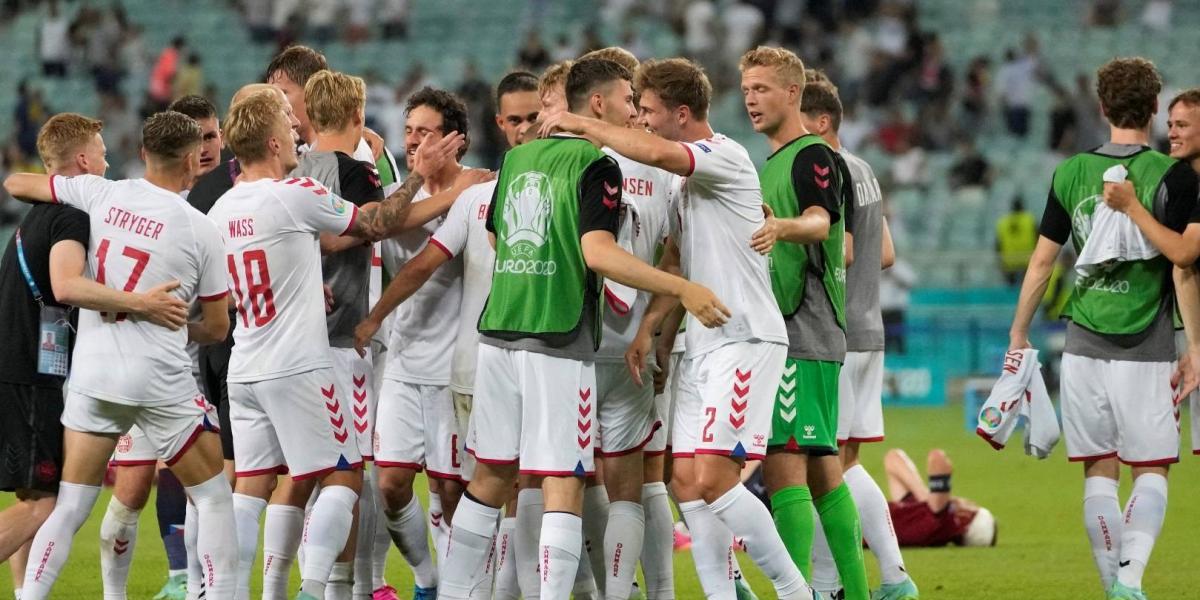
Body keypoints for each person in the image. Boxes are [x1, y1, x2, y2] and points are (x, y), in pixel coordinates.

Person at [438, 58, 728, 600]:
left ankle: (454, 594)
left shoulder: (517, 158)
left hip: (498, 332)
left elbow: (499, 236)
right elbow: (598, 253)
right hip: (560, 337)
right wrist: (681, 288)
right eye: (626, 97)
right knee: (564, 480)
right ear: (598, 103)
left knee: (491, 477)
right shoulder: (599, 165)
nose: (632, 108)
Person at [542, 56, 817, 600]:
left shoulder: (724, 155)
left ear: (682, 113)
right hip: (704, 343)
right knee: (686, 483)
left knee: (714, 477)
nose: (641, 119)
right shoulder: (682, 184)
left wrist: (579, 122)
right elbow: (675, 259)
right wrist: (652, 330)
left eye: (648, 110)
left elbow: (654, 152)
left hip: (745, 336)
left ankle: (795, 591)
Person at [5, 110, 238, 599]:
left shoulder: (101, 194)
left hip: (95, 378)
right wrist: (176, 321)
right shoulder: (201, 229)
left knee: (69, 507)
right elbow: (217, 328)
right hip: (160, 382)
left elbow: (18, 182)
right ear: (193, 160)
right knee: (214, 497)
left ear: (143, 153)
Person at [1007, 58, 1200, 600]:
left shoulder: (1069, 172)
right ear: (1155, 108)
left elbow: (1042, 263)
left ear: (1101, 107)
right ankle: (1129, 581)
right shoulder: (1176, 176)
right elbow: (1182, 265)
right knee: (1152, 468)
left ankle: (1113, 584)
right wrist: (1194, 344)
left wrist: (1018, 333)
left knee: (1098, 469)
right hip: (1147, 344)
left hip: (1082, 344)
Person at [354, 69, 542, 600]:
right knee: (391, 484)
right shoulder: (398, 195)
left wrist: (456, 190)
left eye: (427, 131)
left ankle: (468, 588)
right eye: (410, 130)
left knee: (454, 493)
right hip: (403, 361)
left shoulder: (484, 189)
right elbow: (382, 224)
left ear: (455, 138)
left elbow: (427, 263)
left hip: (457, 367)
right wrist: (428, 183)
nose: (415, 140)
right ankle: (427, 578)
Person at [737, 47, 870, 600]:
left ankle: (796, 594)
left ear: (793, 93)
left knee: (784, 465)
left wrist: (782, 227)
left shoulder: (811, 154)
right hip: (803, 330)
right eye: (747, 89)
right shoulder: (773, 161)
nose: (751, 99)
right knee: (822, 474)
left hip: (802, 327)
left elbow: (821, 223)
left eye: (763, 89)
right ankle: (855, 593)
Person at [796, 70, 917, 600]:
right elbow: (885, 254)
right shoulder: (865, 168)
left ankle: (831, 585)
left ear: (821, 121)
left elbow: (842, 250)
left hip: (837, 334)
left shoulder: (826, 170)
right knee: (844, 465)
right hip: (870, 328)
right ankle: (892, 577)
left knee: (824, 468)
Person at [99, 93, 225, 600]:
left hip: (213, 363)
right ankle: (175, 579)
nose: (207, 148)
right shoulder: (152, 200)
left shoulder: (232, 191)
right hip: (153, 363)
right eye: (198, 139)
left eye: (213, 136)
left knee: (209, 483)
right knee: (132, 489)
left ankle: (195, 582)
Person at [880, 449, 997, 548]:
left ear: (965, 518)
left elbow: (937, 457)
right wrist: (925, 497)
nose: (966, 503)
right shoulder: (925, 520)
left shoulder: (941, 518)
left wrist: (929, 497)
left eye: (972, 509)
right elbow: (892, 458)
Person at [995, 197, 1038, 286]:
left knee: (1011, 290)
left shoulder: (1003, 222)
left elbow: (998, 245)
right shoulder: (1030, 220)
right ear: (1022, 207)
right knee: (1027, 287)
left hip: (1009, 262)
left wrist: (1001, 263)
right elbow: (1038, 239)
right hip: (1027, 261)